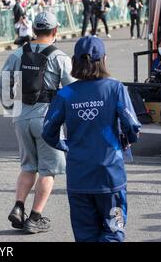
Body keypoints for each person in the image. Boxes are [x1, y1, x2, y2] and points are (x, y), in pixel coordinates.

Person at [42, 36, 141, 242]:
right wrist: (126, 140)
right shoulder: (115, 89)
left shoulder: (66, 93)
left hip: (79, 176)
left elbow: (48, 130)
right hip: (110, 176)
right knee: (114, 231)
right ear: (103, 59)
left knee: (85, 235)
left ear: (75, 61)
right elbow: (132, 126)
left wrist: (66, 145)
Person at [0, 11, 75, 234]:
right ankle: (35, 217)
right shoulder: (60, 57)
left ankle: (18, 206)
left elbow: (4, 83)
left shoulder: (16, 54)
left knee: (28, 166)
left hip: (21, 116)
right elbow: (72, 91)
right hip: (47, 119)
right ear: (55, 31)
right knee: (48, 170)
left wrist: (10, 107)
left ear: (33, 31)